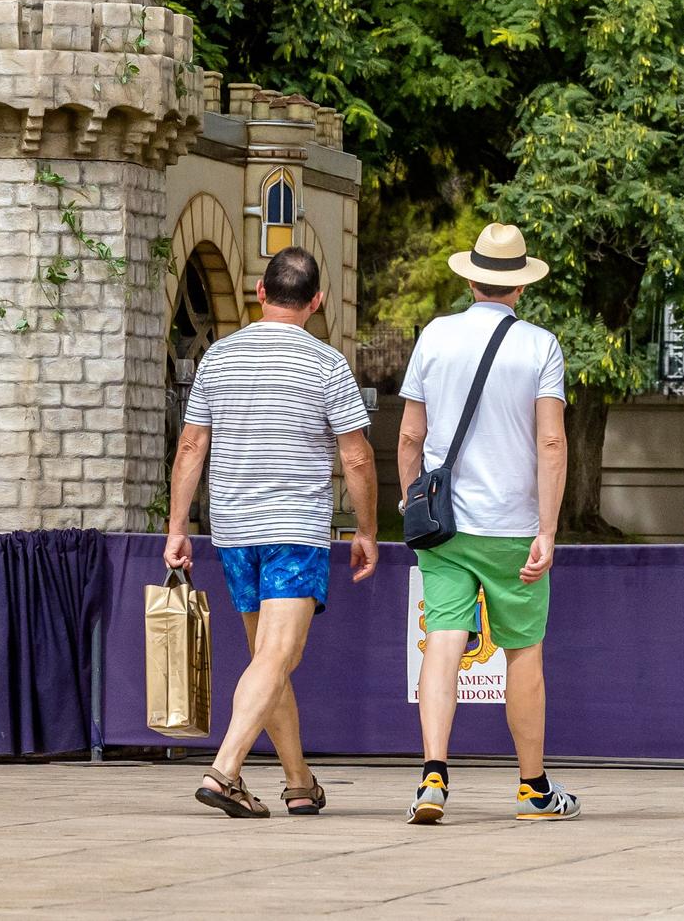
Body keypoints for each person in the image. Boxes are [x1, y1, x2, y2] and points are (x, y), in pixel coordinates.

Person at [164, 246, 378, 819]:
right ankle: (225, 771)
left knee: (268, 657)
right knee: (277, 656)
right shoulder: (327, 364)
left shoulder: (218, 359)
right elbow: (356, 459)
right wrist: (367, 530)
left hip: (233, 529)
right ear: (317, 301)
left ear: (261, 293)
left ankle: (299, 781)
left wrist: (177, 526)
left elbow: (191, 445)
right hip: (293, 530)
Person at [399, 222, 577, 825]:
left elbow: (410, 434)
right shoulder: (541, 346)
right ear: (519, 287)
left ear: (470, 278)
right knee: (523, 652)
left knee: (444, 641)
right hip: (514, 527)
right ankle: (533, 789)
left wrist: (410, 500)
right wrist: (547, 530)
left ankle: (432, 778)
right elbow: (551, 441)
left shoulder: (434, 337)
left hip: (444, 526)